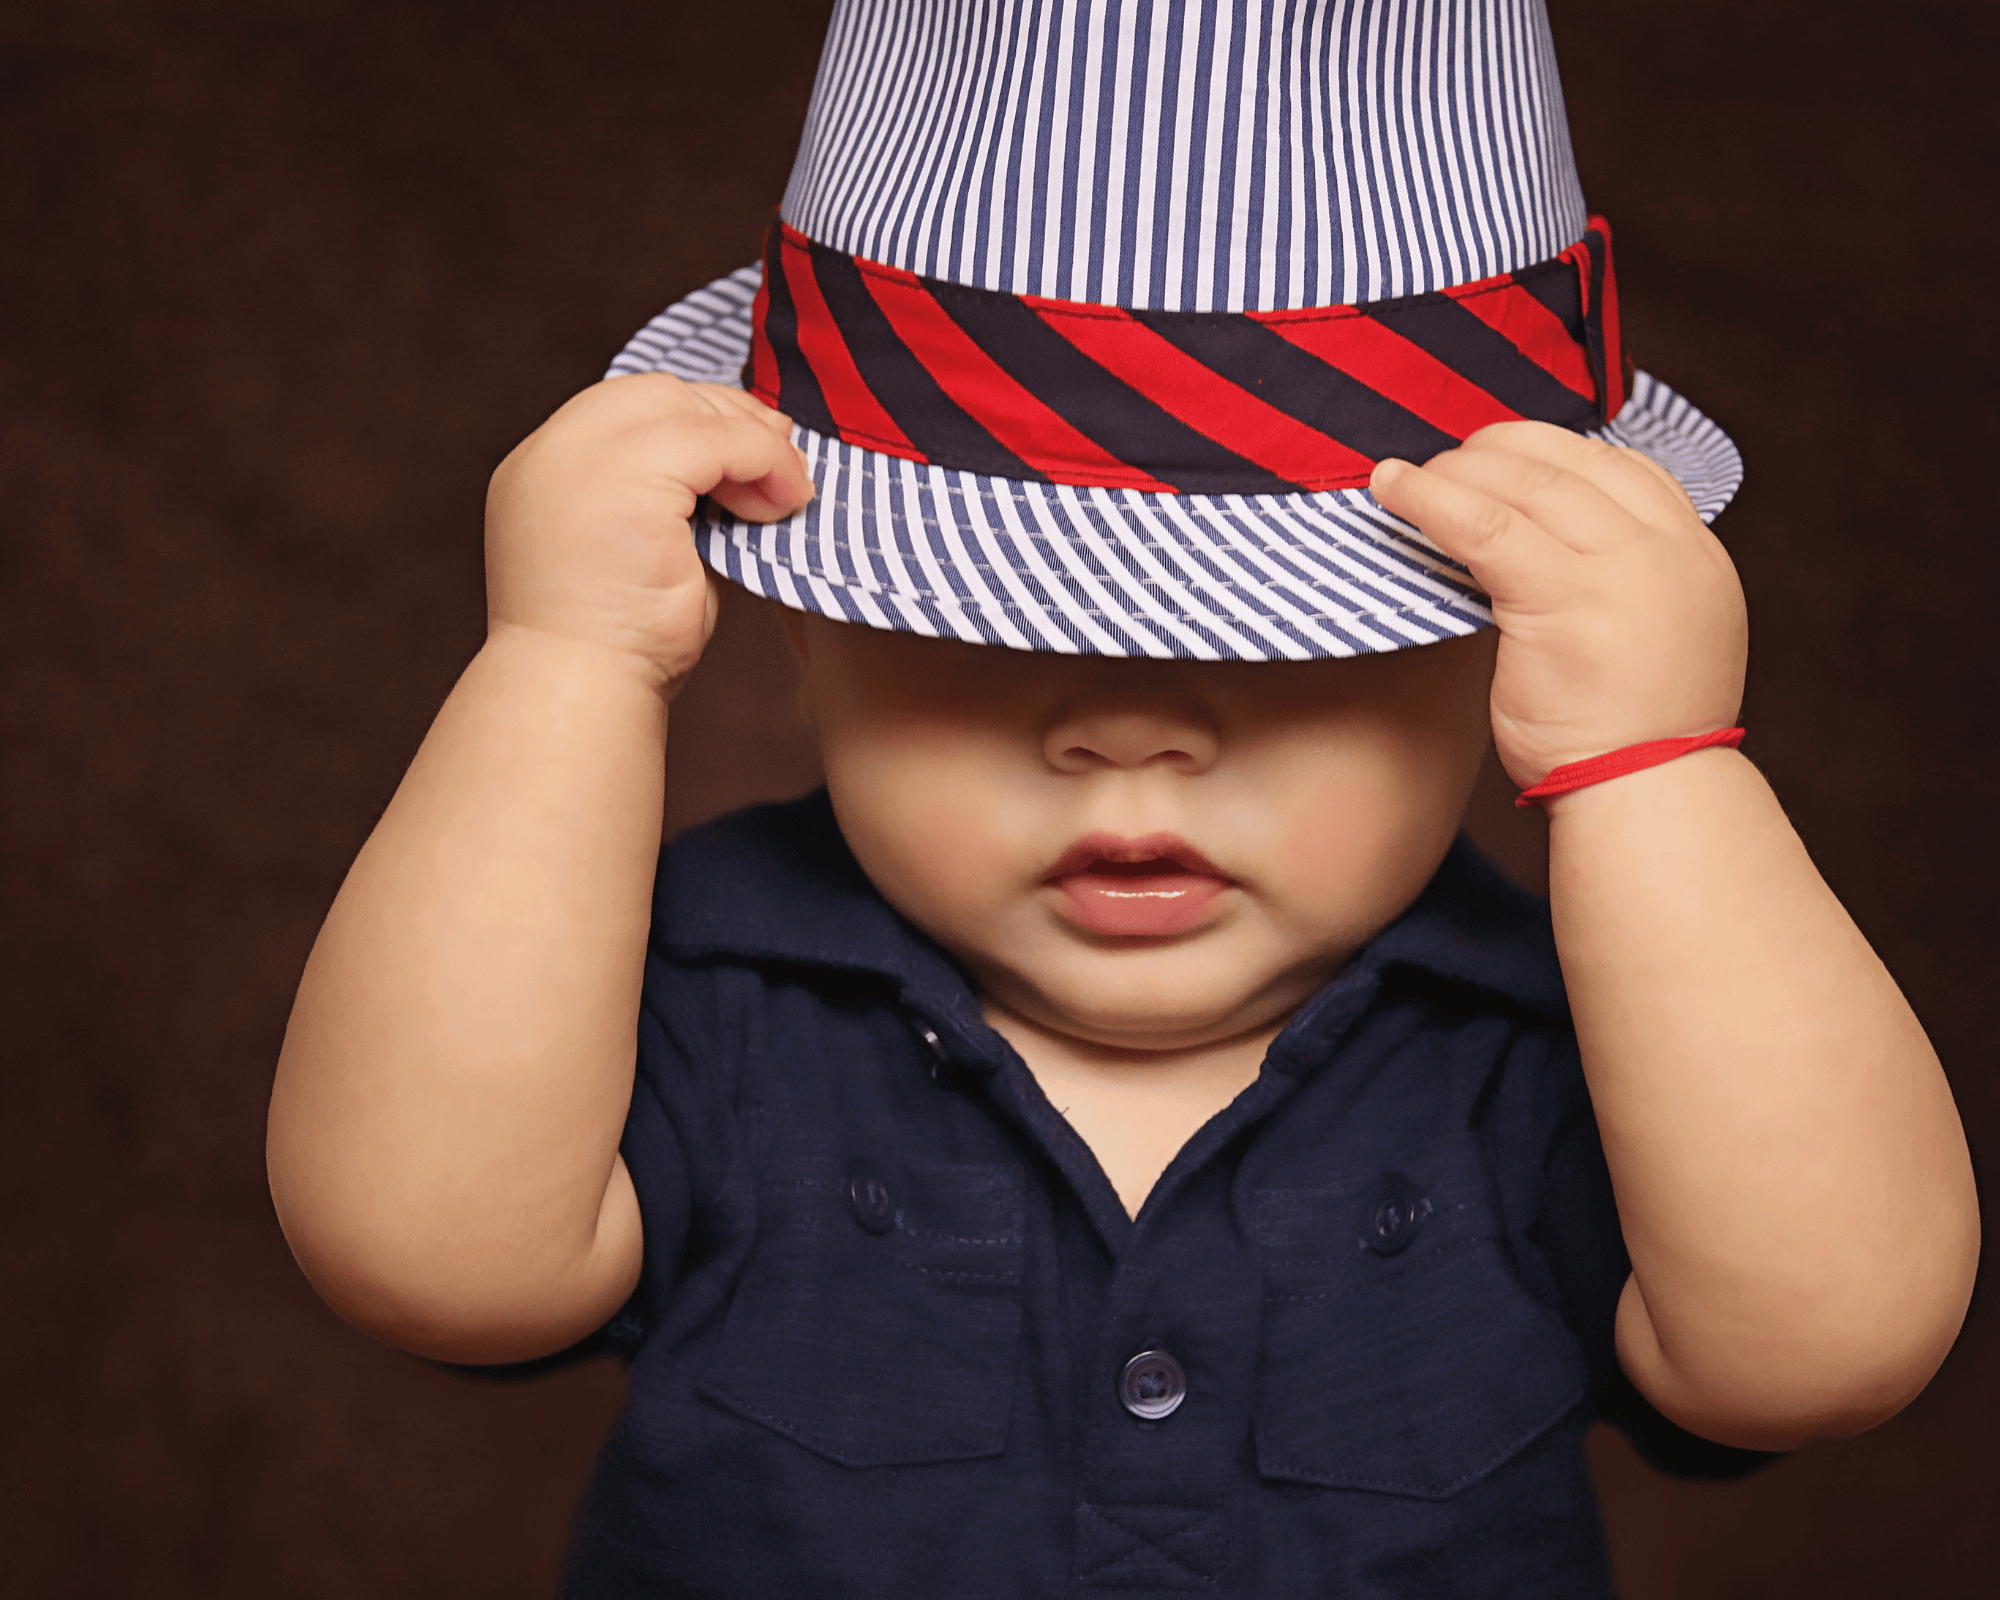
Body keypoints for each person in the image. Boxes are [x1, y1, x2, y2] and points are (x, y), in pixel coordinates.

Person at [266, 2, 1976, 1593]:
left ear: (1495, 666)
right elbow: (427, 1253)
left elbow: (1823, 1349)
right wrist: (560, 668)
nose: (1130, 730)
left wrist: (1660, 771)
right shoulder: (713, 1008)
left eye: (1297, 651)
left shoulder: (1576, 1050)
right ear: (804, 632)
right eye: (988, 628)